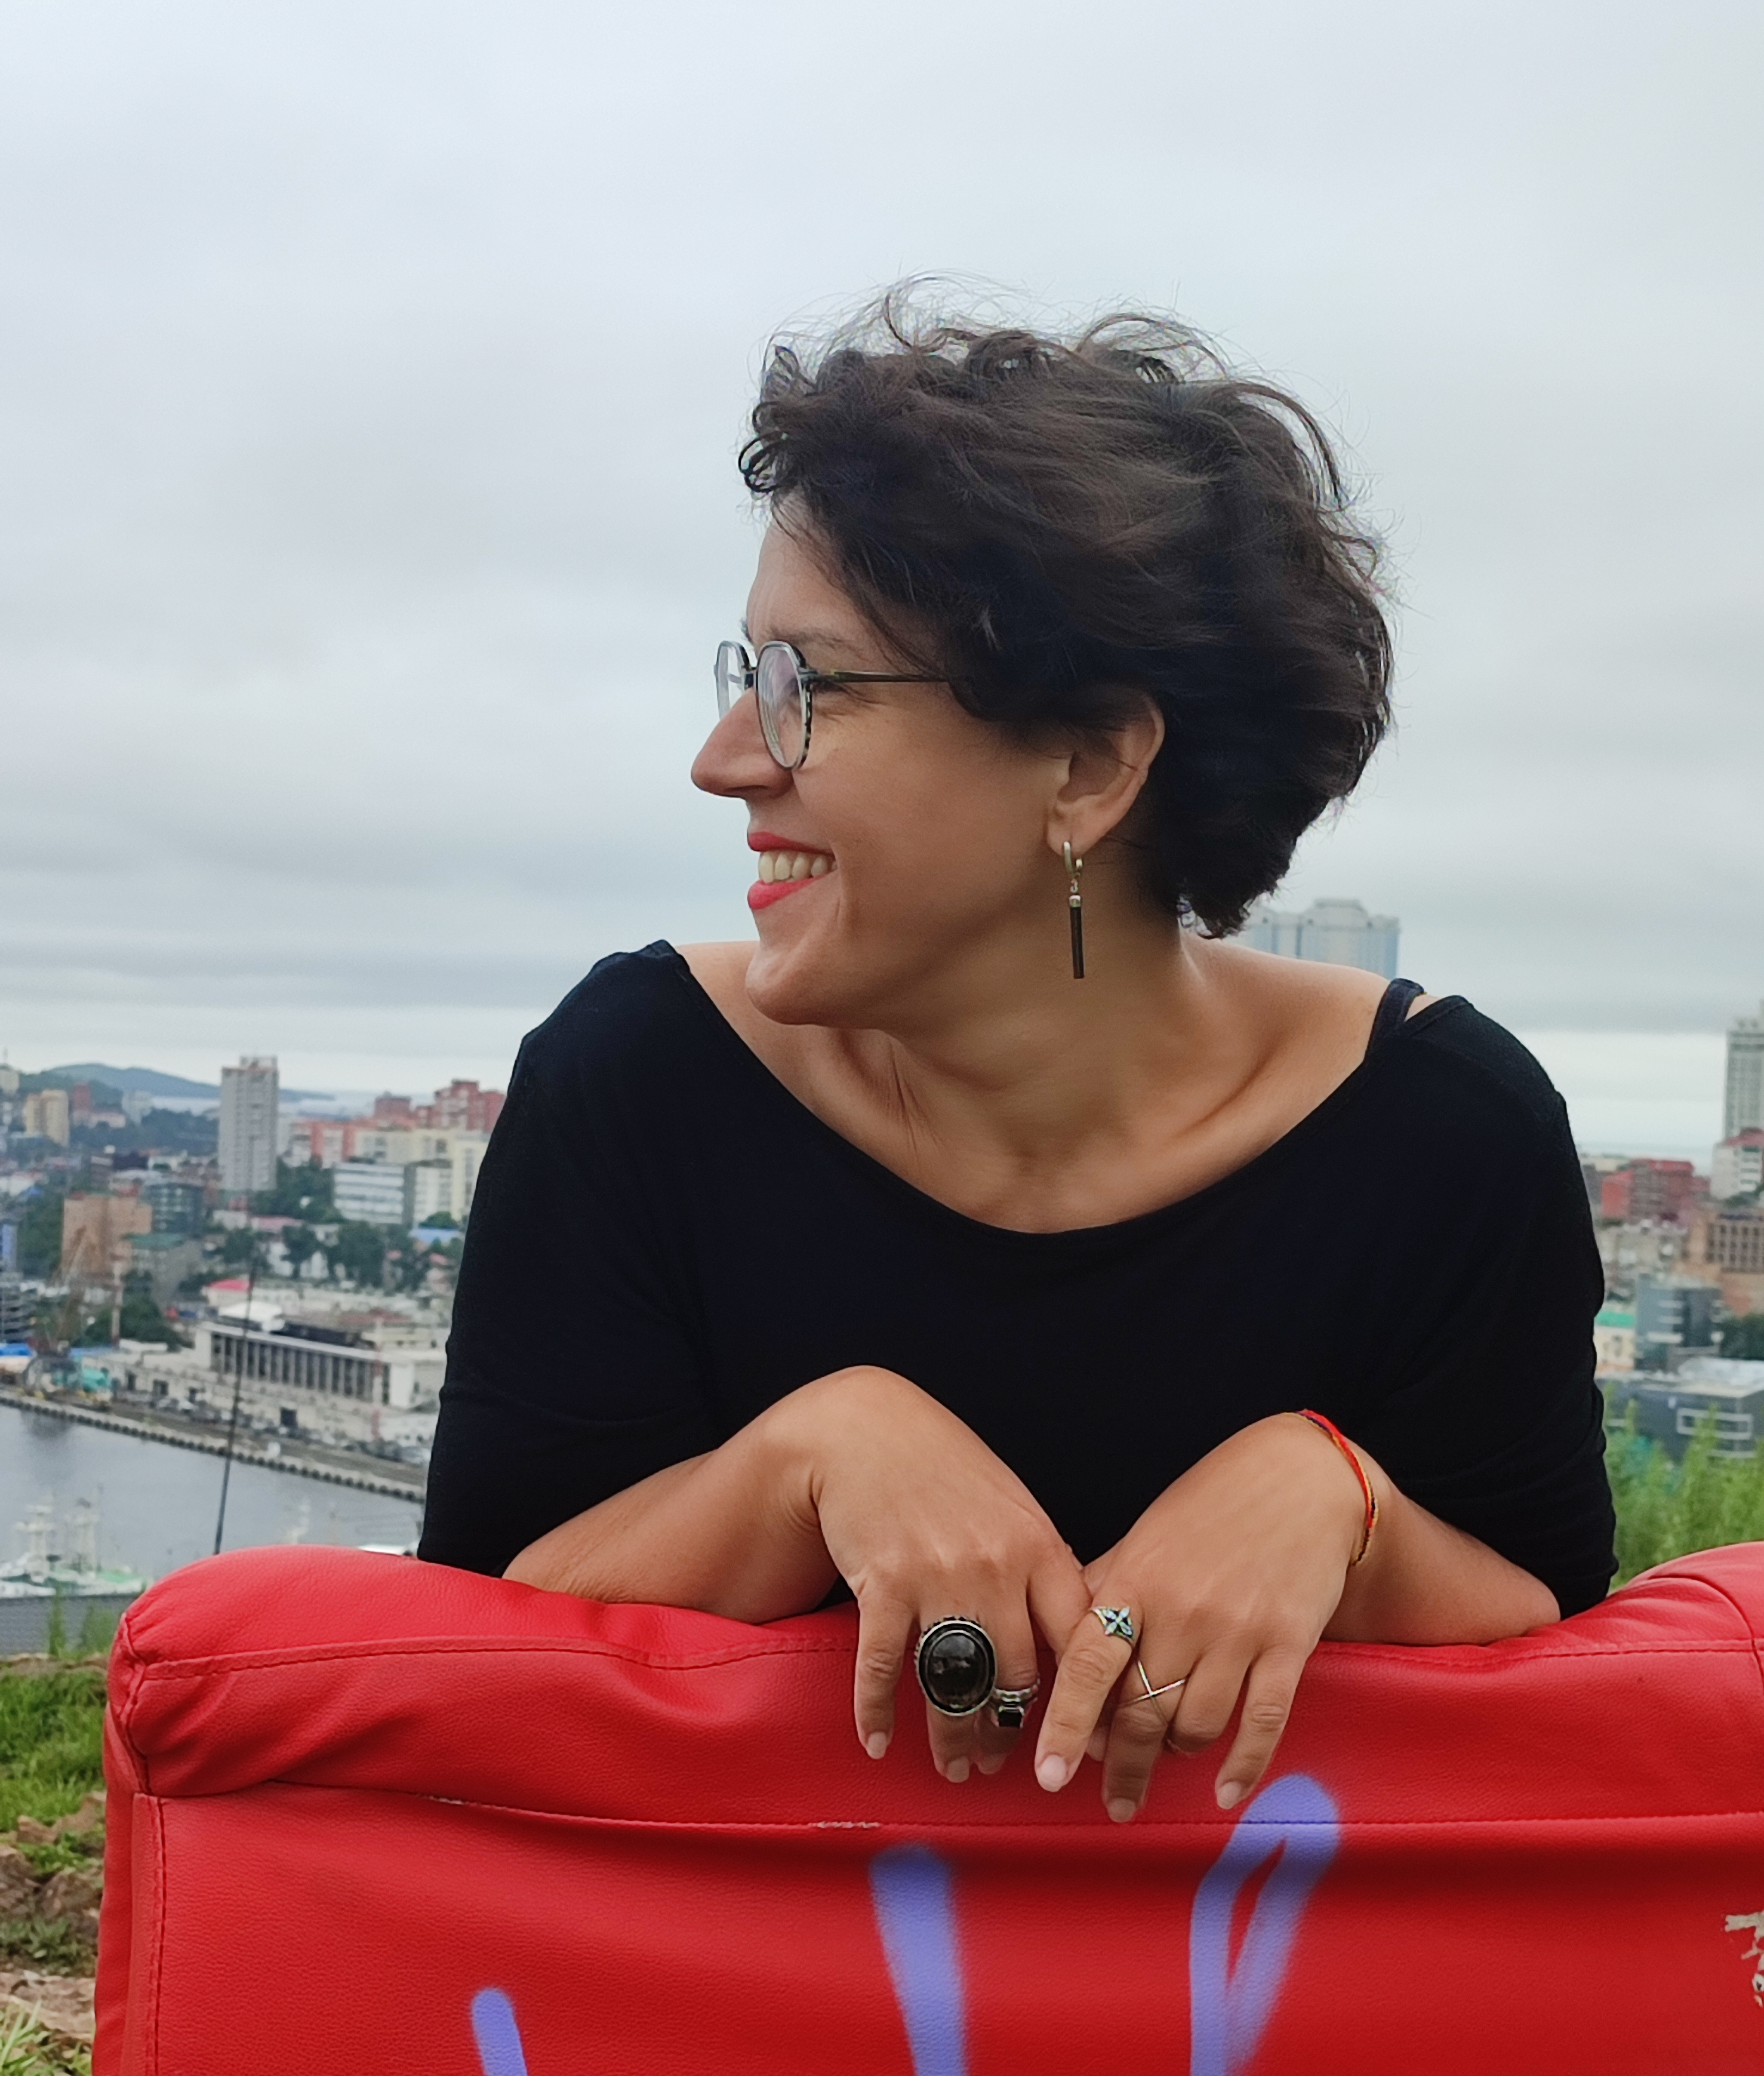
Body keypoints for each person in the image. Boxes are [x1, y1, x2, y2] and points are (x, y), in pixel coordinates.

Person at [420, 302, 1615, 1824]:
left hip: (1253, 1973)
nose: (724, 758)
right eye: (747, 670)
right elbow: (467, 1643)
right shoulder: (641, 1076)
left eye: (807, 685)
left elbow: (1559, 1661)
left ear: (1089, 764)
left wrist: (1345, 1506)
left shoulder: (1440, 1136)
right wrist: (800, 1464)